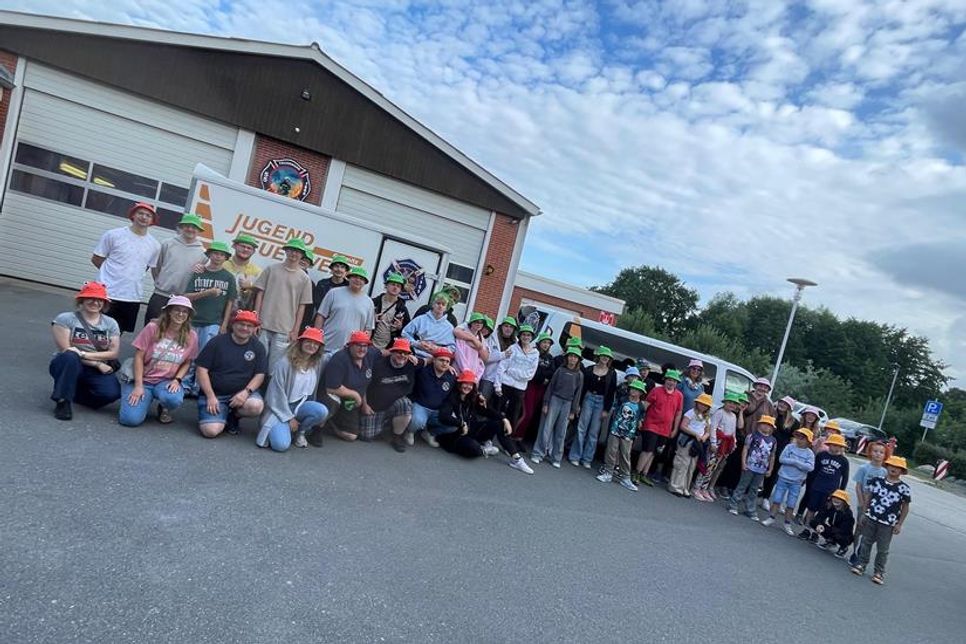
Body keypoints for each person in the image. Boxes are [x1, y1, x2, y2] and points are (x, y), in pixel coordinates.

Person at [119, 296, 198, 427]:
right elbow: (138, 357)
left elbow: (187, 362)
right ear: (168, 311)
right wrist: (139, 386)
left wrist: (177, 380)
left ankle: (164, 406)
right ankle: (144, 398)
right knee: (130, 420)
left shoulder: (191, 335)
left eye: (185, 312)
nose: (180, 314)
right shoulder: (152, 327)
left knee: (173, 398)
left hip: (165, 381)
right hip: (143, 378)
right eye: (177, 310)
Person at [435, 370, 534, 474]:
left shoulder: (472, 398)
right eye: (465, 383)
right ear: (459, 384)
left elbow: (487, 411)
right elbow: (443, 416)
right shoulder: (452, 398)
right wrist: (460, 423)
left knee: (499, 424)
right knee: (474, 449)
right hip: (457, 435)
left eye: (470, 384)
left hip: (472, 431)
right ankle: (483, 449)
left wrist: (504, 419)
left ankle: (517, 459)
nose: (467, 387)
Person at [49, 282, 122, 420]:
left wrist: (84, 354)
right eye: (91, 298)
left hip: (96, 366)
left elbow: (113, 353)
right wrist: (97, 364)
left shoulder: (110, 323)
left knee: (111, 394)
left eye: (100, 300)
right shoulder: (65, 319)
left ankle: (74, 392)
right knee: (70, 357)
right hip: (68, 364)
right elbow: (67, 350)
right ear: (81, 300)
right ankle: (63, 401)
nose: (95, 302)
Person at [90, 202, 162, 334]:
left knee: (118, 332)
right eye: (140, 213)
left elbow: (145, 267)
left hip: (131, 296)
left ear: (152, 221)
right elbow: (96, 259)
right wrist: (112, 274)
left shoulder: (155, 245)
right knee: (96, 328)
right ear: (133, 215)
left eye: (148, 215)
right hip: (107, 293)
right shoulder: (113, 235)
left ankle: (108, 354)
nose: (144, 217)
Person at [194, 310, 267, 438]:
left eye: (249, 326)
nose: (245, 328)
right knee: (210, 431)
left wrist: (246, 392)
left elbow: (260, 375)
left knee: (256, 406)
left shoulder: (258, 347)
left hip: (241, 395)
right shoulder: (217, 342)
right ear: (233, 325)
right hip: (215, 395)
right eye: (241, 324)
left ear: (255, 328)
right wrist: (210, 396)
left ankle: (234, 415)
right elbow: (201, 370)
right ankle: (219, 414)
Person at [257, 327, 328, 451]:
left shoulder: (316, 364)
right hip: (279, 408)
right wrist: (289, 418)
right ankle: (278, 426)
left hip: (300, 406)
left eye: (316, 344)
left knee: (322, 411)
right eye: (308, 342)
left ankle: (300, 432)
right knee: (281, 445)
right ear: (300, 343)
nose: (312, 345)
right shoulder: (285, 363)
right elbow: (275, 394)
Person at [181, 241, 238, 395]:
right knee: (189, 352)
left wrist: (225, 324)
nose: (218, 257)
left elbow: (230, 302)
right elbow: (186, 296)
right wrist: (207, 292)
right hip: (193, 319)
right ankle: (185, 384)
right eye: (215, 253)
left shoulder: (228, 277)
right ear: (209, 255)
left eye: (221, 254)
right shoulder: (199, 272)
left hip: (213, 322)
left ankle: (198, 387)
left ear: (226, 258)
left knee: (204, 355)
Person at [253, 238, 314, 372]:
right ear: (286, 251)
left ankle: (267, 391)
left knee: (274, 368)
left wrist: (295, 331)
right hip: (263, 324)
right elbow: (260, 294)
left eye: (298, 251)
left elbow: (302, 306)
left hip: (285, 329)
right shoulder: (271, 269)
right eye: (291, 250)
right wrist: (255, 320)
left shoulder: (304, 278)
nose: (294, 254)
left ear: (302, 254)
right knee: (257, 361)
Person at [851, 455, 912, 585]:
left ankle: (879, 571)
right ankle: (861, 564)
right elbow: (868, 496)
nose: (894, 468)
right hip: (872, 516)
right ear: (887, 466)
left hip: (888, 523)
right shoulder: (877, 480)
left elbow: (905, 507)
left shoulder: (904, 488)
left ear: (902, 471)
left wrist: (899, 524)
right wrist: (864, 513)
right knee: (866, 542)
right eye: (891, 465)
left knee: (883, 548)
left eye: (898, 467)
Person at [144, 212, 206, 325]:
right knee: (151, 330)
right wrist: (162, 283)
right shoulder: (167, 244)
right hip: (160, 295)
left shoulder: (203, 253)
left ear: (198, 230)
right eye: (187, 226)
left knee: (174, 335)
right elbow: (156, 267)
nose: (190, 229)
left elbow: (201, 276)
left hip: (183, 300)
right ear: (181, 227)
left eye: (194, 227)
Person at [323, 330, 382, 442]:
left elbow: (385, 353)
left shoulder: (370, 355)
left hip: (353, 402)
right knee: (351, 436)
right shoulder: (339, 359)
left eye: (365, 346)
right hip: (336, 397)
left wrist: (408, 356)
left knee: (362, 432)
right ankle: (328, 424)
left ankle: (340, 420)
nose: (362, 349)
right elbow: (331, 388)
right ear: (350, 345)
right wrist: (355, 395)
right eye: (358, 345)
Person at [362, 338, 418, 452]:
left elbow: (430, 361)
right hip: (374, 407)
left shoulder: (411, 364)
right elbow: (363, 385)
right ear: (392, 351)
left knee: (405, 404)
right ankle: (384, 426)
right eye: (399, 352)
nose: (402, 355)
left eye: (406, 353)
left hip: (394, 405)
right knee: (366, 436)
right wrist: (364, 405)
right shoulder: (378, 364)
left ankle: (397, 436)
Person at [531, 347, 584, 467]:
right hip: (555, 399)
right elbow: (550, 387)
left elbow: (578, 394)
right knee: (546, 427)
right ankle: (538, 453)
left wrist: (573, 411)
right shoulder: (560, 370)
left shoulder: (579, 375)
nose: (572, 359)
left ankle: (556, 457)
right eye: (570, 356)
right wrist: (546, 403)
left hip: (568, 403)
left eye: (575, 357)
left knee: (561, 431)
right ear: (567, 357)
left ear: (578, 360)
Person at [633, 369, 685, 486]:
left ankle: (644, 474)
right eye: (669, 380)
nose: (671, 383)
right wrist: (639, 418)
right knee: (647, 450)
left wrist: (675, 428)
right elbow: (646, 405)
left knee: (655, 452)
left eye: (674, 381)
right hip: (651, 425)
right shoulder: (656, 391)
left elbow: (678, 413)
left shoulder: (679, 396)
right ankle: (636, 472)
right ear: (665, 380)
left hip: (665, 429)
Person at [568, 346, 617, 469]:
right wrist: (578, 404)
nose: (605, 358)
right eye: (603, 355)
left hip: (601, 402)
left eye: (607, 356)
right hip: (588, 398)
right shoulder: (589, 369)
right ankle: (575, 456)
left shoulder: (612, 373)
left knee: (594, 432)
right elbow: (582, 388)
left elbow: (611, 392)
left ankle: (587, 459)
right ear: (598, 356)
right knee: (581, 428)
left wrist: (606, 409)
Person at [761, 428, 815, 535]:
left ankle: (787, 523)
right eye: (798, 437)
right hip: (783, 477)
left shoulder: (810, 453)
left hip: (797, 481)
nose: (799, 440)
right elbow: (782, 459)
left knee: (791, 503)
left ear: (808, 441)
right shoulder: (789, 447)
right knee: (777, 499)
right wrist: (796, 462)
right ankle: (771, 517)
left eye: (803, 438)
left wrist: (796, 463)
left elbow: (810, 467)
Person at [596, 379, 647, 491]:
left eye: (636, 390)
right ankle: (608, 472)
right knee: (611, 450)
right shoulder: (622, 400)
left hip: (629, 433)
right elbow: (615, 411)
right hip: (616, 429)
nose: (633, 391)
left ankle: (625, 477)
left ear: (641, 393)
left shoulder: (640, 406)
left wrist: (638, 427)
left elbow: (640, 419)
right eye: (632, 388)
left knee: (625, 454)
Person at [798, 433, 850, 540]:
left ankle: (816, 532)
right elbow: (814, 471)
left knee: (823, 512)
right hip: (817, 487)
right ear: (829, 444)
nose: (836, 448)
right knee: (811, 509)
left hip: (831, 491)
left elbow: (845, 478)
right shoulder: (821, 455)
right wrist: (810, 485)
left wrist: (841, 493)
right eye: (834, 445)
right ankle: (807, 529)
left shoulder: (844, 461)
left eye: (839, 446)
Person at [315, 266, 376, 356]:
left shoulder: (369, 302)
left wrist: (360, 347)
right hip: (326, 346)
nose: (358, 280)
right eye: (355, 277)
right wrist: (316, 337)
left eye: (361, 279)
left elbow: (368, 329)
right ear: (349, 278)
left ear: (365, 283)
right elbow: (321, 316)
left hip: (349, 352)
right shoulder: (334, 293)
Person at [692, 392, 741, 501]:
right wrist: (713, 443)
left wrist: (734, 443)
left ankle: (704, 488)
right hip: (717, 442)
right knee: (708, 465)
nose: (732, 405)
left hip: (726, 444)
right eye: (730, 402)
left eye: (734, 403)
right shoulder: (719, 413)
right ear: (725, 403)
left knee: (714, 467)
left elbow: (733, 432)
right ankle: (697, 487)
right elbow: (713, 428)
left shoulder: (733, 416)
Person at [727, 415, 778, 520]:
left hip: (762, 469)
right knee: (742, 485)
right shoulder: (752, 436)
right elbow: (745, 449)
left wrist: (770, 469)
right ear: (759, 424)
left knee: (754, 489)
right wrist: (743, 463)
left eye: (769, 425)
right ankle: (733, 504)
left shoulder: (773, 440)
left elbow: (772, 455)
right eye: (764, 424)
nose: (766, 427)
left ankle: (750, 509)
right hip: (750, 466)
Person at [407, 348, 459, 447]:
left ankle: (429, 433)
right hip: (420, 406)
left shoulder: (451, 376)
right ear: (434, 360)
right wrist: (420, 359)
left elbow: (464, 388)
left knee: (454, 425)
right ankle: (410, 432)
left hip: (437, 411)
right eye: (441, 360)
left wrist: (478, 395)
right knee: (418, 421)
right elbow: (410, 366)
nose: (444, 363)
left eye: (447, 361)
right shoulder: (423, 370)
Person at [494, 324, 540, 435]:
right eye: (523, 334)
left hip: (520, 388)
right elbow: (502, 367)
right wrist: (497, 385)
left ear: (532, 337)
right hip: (505, 384)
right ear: (520, 336)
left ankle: (507, 439)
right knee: (497, 411)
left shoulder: (535, 353)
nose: (526, 337)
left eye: (528, 335)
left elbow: (530, 375)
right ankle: (489, 437)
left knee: (513, 414)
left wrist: (512, 372)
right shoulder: (512, 348)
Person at [848, 441, 888, 566]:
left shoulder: (885, 472)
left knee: (871, 532)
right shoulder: (864, 468)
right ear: (870, 452)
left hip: (876, 507)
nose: (878, 454)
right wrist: (861, 502)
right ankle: (855, 552)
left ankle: (862, 551)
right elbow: (858, 486)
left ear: (885, 455)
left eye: (881, 452)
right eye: (875, 451)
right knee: (860, 528)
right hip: (863, 503)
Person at [667, 392, 713, 497]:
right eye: (701, 403)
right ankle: (675, 486)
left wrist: (704, 437)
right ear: (697, 403)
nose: (703, 406)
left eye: (705, 405)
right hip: (687, 439)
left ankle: (685, 487)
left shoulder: (707, 418)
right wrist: (695, 434)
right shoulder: (690, 413)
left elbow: (708, 431)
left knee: (691, 465)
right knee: (682, 463)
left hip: (698, 442)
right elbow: (683, 426)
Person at [513, 331, 555, 440]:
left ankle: (520, 437)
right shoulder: (533, 353)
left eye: (548, 343)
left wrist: (544, 376)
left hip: (540, 389)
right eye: (544, 342)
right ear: (539, 343)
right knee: (527, 413)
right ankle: (514, 436)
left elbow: (552, 372)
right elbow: (533, 371)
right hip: (530, 386)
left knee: (532, 415)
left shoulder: (550, 358)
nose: (546, 345)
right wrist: (542, 377)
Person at [761, 395, 799, 506]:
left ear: (789, 407)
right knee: (758, 468)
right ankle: (750, 492)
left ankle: (766, 497)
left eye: (785, 404)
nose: (782, 405)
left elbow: (793, 438)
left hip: (781, 449)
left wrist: (790, 451)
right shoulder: (771, 414)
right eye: (781, 402)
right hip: (765, 445)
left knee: (773, 474)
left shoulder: (794, 422)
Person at [400, 291, 456, 359]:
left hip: (435, 360)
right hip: (415, 355)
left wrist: (438, 349)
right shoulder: (420, 319)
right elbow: (405, 333)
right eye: (438, 303)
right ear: (433, 304)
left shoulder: (449, 327)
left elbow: (452, 348)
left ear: (446, 308)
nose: (440, 306)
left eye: (443, 304)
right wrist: (417, 344)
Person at [370, 272, 412, 349]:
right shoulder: (373, 303)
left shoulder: (402, 309)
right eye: (393, 284)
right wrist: (372, 319)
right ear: (386, 285)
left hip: (388, 349)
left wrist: (400, 327)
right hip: (369, 344)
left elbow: (407, 331)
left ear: (400, 290)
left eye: (398, 286)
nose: (395, 287)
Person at [479, 316, 517, 400]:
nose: (508, 329)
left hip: (504, 381)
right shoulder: (491, 339)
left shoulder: (516, 343)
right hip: (489, 378)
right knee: (481, 402)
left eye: (511, 327)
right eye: (506, 326)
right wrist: (503, 355)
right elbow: (486, 358)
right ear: (501, 327)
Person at [809, 490, 855, 557]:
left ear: (844, 502)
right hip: (833, 528)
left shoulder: (847, 514)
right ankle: (831, 541)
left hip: (844, 534)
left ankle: (843, 547)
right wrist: (819, 524)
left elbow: (845, 530)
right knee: (813, 522)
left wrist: (831, 531)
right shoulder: (829, 506)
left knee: (838, 535)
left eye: (839, 499)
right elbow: (819, 516)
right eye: (834, 497)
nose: (836, 500)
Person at [224, 234, 262, 311]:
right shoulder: (223, 264)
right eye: (242, 246)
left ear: (253, 251)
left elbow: (262, 293)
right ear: (234, 246)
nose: (245, 250)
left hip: (241, 315)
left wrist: (251, 285)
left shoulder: (257, 272)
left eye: (249, 248)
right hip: (219, 310)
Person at [311, 253, 351, 319]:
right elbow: (318, 304)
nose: (339, 269)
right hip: (321, 319)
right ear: (331, 269)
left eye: (342, 267)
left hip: (340, 321)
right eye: (336, 266)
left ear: (346, 271)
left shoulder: (349, 286)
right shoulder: (322, 284)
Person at [452, 312, 490, 382]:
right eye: (476, 321)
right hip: (459, 372)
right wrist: (465, 370)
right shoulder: (462, 336)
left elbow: (481, 361)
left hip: (472, 376)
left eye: (481, 323)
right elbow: (459, 354)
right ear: (471, 323)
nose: (478, 324)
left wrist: (477, 377)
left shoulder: (482, 340)